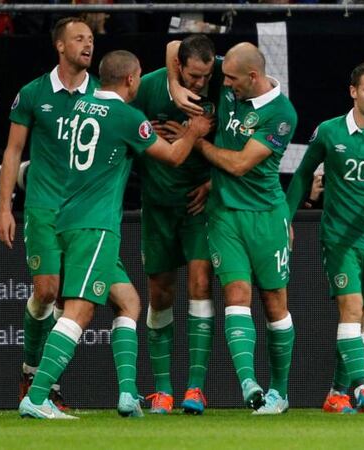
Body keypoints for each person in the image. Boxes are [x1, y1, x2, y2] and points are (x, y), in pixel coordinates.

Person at [18, 50, 211, 419]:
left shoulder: (78, 108)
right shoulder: (126, 116)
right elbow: (172, 156)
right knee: (80, 310)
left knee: (128, 302)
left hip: (65, 217)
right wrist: (194, 132)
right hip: (95, 226)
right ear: (131, 80)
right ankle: (38, 395)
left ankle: (127, 394)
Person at [285, 61, 364, 414]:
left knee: (362, 317)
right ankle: (361, 386)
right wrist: (286, 218)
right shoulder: (329, 131)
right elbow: (302, 174)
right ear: (353, 91)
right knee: (351, 309)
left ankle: (336, 394)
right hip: (339, 237)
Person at [0, 17, 100, 410]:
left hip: (86, 212)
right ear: (60, 46)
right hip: (43, 207)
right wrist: (5, 207)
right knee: (46, 292)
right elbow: (12, 153)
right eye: (79, 39)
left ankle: (47, 386)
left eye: (90, 39)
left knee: (69, 301)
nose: (87, 45)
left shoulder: (103, 95)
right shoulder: (33, 93)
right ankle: (29, 369)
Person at [195, 42, 298, 415]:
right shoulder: (230, 76)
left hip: (267, 215)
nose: (223, 84)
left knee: (275, 303)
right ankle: (248, 384)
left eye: (231, 79)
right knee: (236, 293)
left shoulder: (282, 114)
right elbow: (177, 47)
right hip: (225, 214)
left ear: (253, 77)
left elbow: (239, 164)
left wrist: (199, 142)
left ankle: (280, 392)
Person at [132, 34, 220, 415]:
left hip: (198, 208)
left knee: (201, 284)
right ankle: (163, 390)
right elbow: (120, 122)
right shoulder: (151, 86)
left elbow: (237, 145)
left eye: (207, 76)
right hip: (157, 206)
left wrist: (214, 182)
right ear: (179, 67)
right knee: (160, 293)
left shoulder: (220, 100)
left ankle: (195, 388)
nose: (201, 83)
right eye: (194, 75)